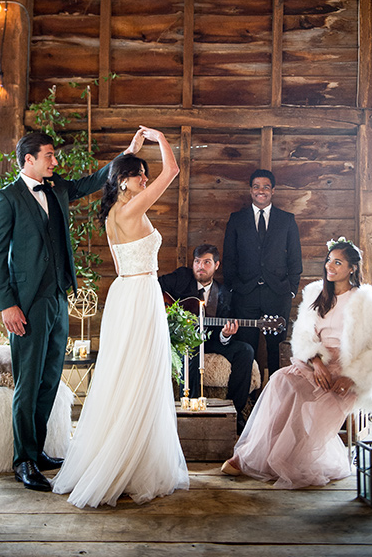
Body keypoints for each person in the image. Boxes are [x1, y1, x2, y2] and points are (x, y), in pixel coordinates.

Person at [0, 129, 144, 492]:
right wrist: (7, 304)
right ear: (29, 160)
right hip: (26, 303)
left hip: (58, 298)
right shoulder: (6, 198)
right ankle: (23, 461)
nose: (55, 161)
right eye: (49, 156)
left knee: (48, 379)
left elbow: (92, 181)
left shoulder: (56, 187)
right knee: (27, 382)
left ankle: (37, 452)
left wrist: (128, 153)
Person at [52, 127, 189, 508]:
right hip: (140, 294)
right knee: (140, 373)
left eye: (144, 174)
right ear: (123, 183)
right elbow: (172, 171)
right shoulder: (132, 207)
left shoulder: (114, 211)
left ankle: (132, 456)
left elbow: (123, 172)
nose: (144, 179)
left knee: (126, 374)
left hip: (126, 293)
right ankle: (127, 462)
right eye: (137, 175)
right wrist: (161, 138)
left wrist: (133, 149)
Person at [221, 238, 372, 489]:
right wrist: (315, 361)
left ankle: (284, 458)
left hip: (346, 367)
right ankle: (249, 455)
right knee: (280, 381)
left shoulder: (365, 300)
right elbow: (303, 336)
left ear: (352, 268)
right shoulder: (317, 294)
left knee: (315, 401)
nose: (330, 266)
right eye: (329, 260)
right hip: (317, 361)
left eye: (338, 262)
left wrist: (352, 377)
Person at [159, 244, 255, 434]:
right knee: (191, 350)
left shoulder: (225, 294)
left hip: (211, 339)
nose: (200, 266)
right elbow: (154, 285)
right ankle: (190, 410)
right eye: (197, 262)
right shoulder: (181, 278)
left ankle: (235, 414)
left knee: (246, 351)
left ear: (216, 265)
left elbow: (222, 333)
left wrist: (225, 335)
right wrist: (169, 312)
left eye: (206, 262)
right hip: (184, 338)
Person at [222, 168, 302, 376]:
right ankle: (249, 401)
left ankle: (275, 399)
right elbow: (229, 258)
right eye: (256, 187)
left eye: (266, 187)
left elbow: (295, 258)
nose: (261, 191)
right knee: (247, 349)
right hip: (244, 295)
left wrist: (291, 289)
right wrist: (234, 288)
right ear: (250, 191)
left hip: (277, 294)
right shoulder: (236, 219)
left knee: (276, 350)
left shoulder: (287, 220)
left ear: (273, 191)